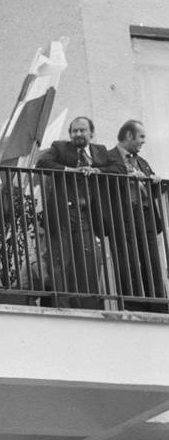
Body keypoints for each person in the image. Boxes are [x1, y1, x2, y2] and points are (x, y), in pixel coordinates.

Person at [35, 117, 107, 309]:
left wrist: (97, 171)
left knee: (88, 262)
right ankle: (63, 307)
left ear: (91, 133)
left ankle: (88, 307)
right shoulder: (60, 147)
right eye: (74, 131)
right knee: (61, 263)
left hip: (86, 215)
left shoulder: (100, 151)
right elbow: (43, 163)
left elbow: (119, 168)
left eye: (82, 130)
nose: (77, 134)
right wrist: (71, 170)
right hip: (62, 214)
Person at [98, 120, 167, 311]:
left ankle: (160, 305)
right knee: (127, 260)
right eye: (141, 137)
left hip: (146, 215)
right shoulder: (108, 157)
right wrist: (125, 176)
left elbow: (152, 191)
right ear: (129, 136)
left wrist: (155, 182)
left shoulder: (142, 161)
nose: (144, 142)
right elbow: (101, 177)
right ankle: (133, 306)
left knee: (151, 259)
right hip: (123, 214)